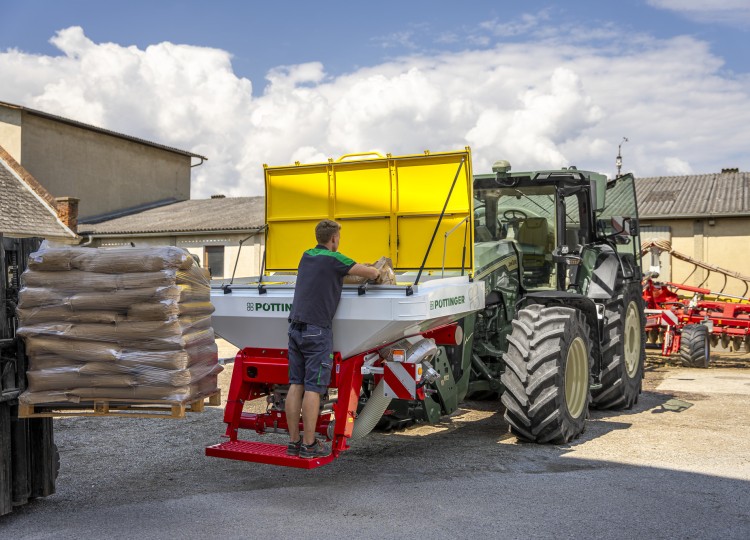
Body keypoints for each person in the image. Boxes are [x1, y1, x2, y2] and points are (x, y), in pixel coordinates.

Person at [285, 219, 379, 459]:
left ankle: (294, 442)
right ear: (334, 238)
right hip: (317, 331)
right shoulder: (335, 259)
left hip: (294, 328)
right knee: (314, 388)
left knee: (296, 385)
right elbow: (370, 271)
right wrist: (377, 270)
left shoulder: (306, 255)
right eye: (339, 237)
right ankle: (309, 445)